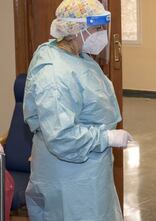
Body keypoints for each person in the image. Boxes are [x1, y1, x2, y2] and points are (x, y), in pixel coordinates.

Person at [23, 0, 133, 220]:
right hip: (70, 175)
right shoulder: (54, 74)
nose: (102, 34)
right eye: (96, 28)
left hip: (87, 169)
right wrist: (105, 137)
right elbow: (62, 136)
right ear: (75, 30)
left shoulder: (79, 57)